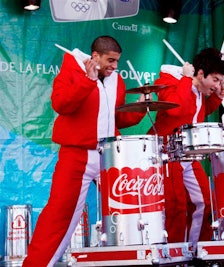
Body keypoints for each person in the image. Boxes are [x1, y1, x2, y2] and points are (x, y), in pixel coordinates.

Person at [23, 35, 146, 267]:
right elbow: (61, 104)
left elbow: (116, 118)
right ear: (95, 56)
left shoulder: (117, 81)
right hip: (76, 155)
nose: (115, 66)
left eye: (117, 61)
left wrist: (140, 108)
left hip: (110, 156)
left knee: (131, 212)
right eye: (111, 60)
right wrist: (87, 81)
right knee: (59, 216)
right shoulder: (71, 71)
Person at [147, 48, 224, 246]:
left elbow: (198, 112)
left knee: (203, 202)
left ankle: (195, 249)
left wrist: (218, 97)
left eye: (221, 81)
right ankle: (175, 254)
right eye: (216, 80)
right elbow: (175, 111)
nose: (218, 85)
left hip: (188, 155)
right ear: (200, 74)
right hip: (167, 154)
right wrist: (186, 80)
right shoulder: (171, 82)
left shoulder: (200, 91)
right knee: (175, 206)